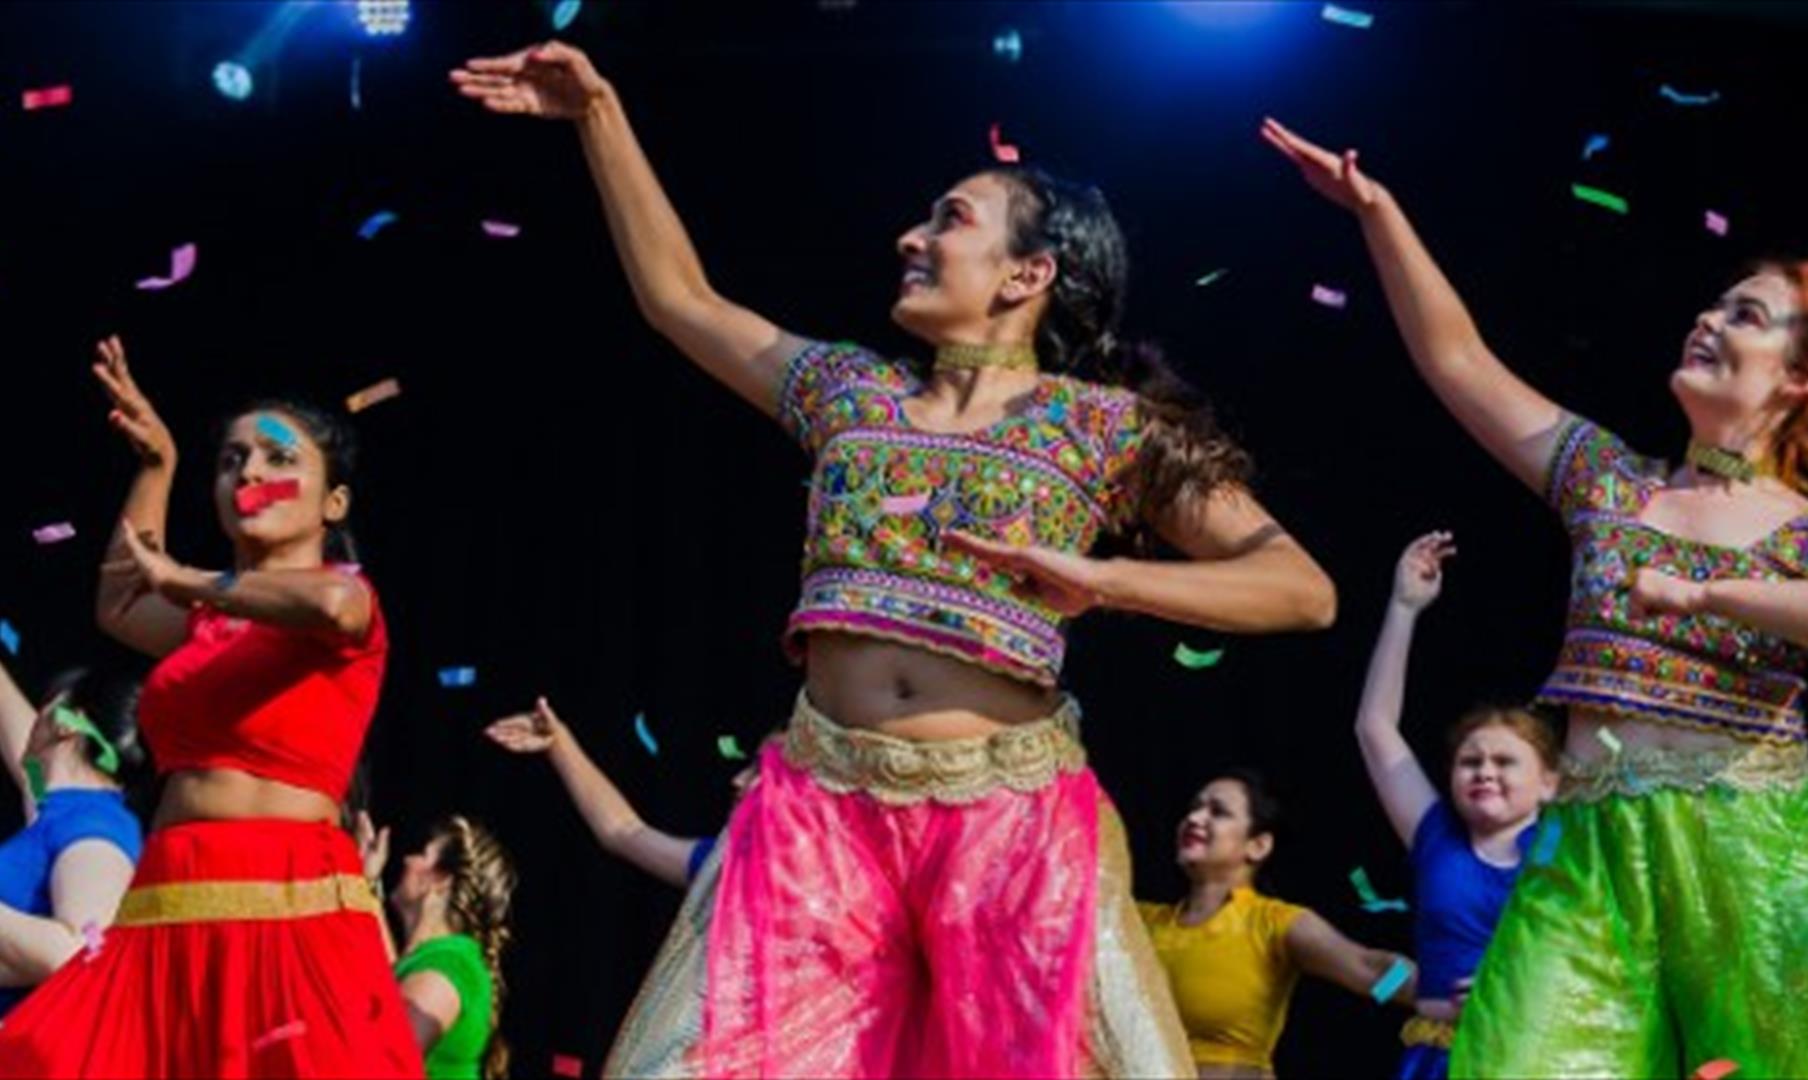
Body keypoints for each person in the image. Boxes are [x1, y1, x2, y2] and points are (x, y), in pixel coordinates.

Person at [452, 42, 1339, 1079]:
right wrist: (598, 114)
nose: (909, 237)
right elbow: (680, 301)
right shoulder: (848, 393)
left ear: (1028, 273)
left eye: (950, 220)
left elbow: (1300, 590)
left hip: (1010, 825)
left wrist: (1101, 581)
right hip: (820, 809)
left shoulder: (1103, 430)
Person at [1266, 117, 1808, 1077]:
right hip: (1591, 854)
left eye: (1745, 315)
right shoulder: (1605, 480)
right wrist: (1378, 213)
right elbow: (1458, 361)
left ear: (1801, 379)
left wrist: (1707, 596)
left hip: (1764, 848)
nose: (1708, 319)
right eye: (1712, 305)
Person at [0, 336, 422, 1076]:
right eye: (231, 460)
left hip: (286, 904)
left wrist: (187, 578)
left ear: (334, 503)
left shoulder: (346, 600)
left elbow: (330, 601)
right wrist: (156, 467)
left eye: (278, 458)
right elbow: (123, 601)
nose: (250, 471)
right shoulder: (207, 623)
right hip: (169, 898)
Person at [1352, 532, 1561, 1079]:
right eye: (1470, 762)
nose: (1484, 771)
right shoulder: (1436, 835)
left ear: (1550, 785)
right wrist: (1403, 608)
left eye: (1505, 762)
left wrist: (1515, 992)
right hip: (1437, 1061)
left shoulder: (1565, 845)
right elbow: (1374, 728)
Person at [1140, 770, 1416, 1079]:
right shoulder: (1140, 924)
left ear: (1257, 846)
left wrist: (1442, 994)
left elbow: (1371, 972)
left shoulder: (1273, 924)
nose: (1194, 818)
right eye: (1193, 808)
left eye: (1218, 812)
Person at [0, 657, 145, 1017]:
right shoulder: (61, 810)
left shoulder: (98, 831)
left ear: (65, 725)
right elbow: (29, 766)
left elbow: (82, 952)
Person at [483, 698, 743, 889]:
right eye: (750, 768)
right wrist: (558, 742)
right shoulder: (727, 867)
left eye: (762, 773)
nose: (739, 780)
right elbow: (624, 831)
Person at [358, 813, 517, 1080]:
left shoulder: (447, 969)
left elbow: (382, 1064)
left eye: (423, 854)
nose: (408, 859)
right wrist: (366, 884)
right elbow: (388, 978)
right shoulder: (436, 959)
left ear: (442, 880)